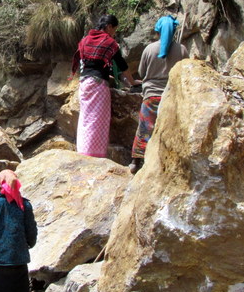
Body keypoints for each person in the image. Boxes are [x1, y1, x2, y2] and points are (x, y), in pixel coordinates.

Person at [72, 14, 138, 158]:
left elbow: (84, 63)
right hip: (98, 84)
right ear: (109, 27)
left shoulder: (85, 40)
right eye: (114, 29)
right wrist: (133, 82)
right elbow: (122, 64)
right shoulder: (109, 42)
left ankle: (82, 151)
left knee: (85, 119)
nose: (114, 33)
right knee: (98, 119)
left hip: (84, 83)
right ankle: (94, 154)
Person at [130, 14, 189, 174]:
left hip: (151, 96)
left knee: (145, 127)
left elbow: (142, 72)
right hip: (171, 96)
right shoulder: (182, 49)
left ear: (158, 31)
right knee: (169, 129)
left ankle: (136, 162)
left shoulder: (149, 49)